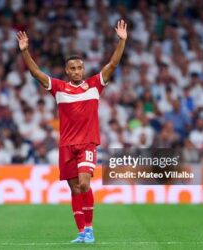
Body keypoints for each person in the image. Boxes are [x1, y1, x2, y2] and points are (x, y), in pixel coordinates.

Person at [17, 20, 127, 243]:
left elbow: (113, 64)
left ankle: (90, 228)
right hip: (66, 145)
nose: (77, 71)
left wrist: (122, 41)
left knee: (84, 183)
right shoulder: (58, 87)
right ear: (67, 71)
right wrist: (25, 51)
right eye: (73, 68)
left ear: (83, 69)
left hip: (87, 143)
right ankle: (81, 232)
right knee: (75, 189)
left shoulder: (95, 84)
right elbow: (36, 72)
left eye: (80, 68)